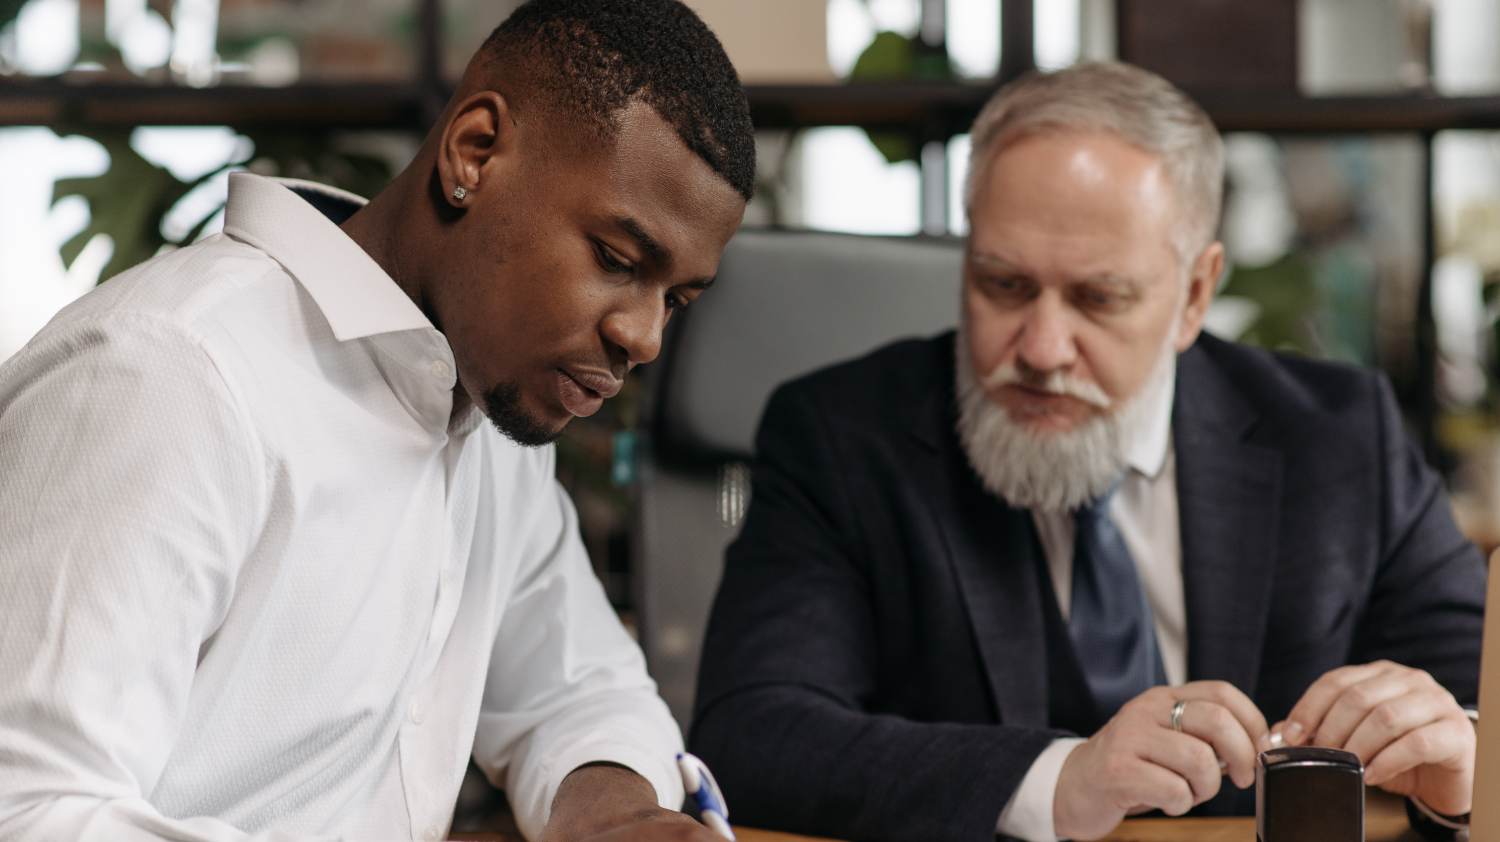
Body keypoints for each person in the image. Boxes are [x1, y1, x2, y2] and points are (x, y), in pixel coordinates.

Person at [0, 1, 751, 840]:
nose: (643, 337)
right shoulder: (167, 375)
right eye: (616, 260)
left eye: (675, 300)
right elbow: (30, 810)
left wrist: (610, 819)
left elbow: (575, 689)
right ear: (476, 152)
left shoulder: (491, 400)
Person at [689, 62, 1483, 842]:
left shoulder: (1339, 437)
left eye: (1099, 298)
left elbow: (1477, 695)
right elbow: (753, 732)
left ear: (1195, 295)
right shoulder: (844, 436)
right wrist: (1058, 781)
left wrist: (1464, 769)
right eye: (1003, 284)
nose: (1041, 348)